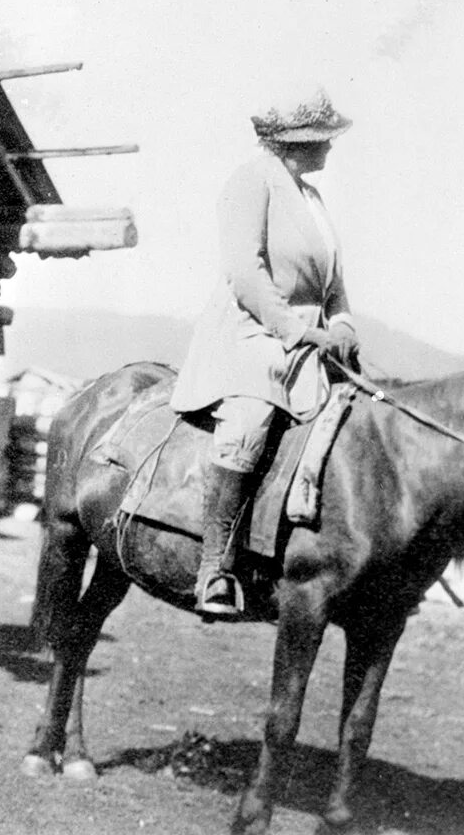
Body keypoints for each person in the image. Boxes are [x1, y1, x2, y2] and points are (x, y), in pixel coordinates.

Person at [170, 85, 361, 619]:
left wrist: (342, 324)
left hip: (312, 343)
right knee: (250, 421)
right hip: (251, 335)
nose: (330, 147)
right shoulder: (251, 181)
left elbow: (334, 284)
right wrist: (294, 330)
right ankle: (215, 568)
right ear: (295, 142)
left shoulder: (313, 200)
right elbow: (245, 272)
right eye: (322, 139)